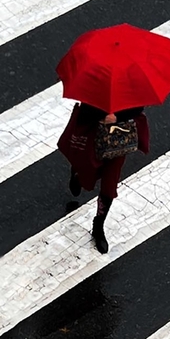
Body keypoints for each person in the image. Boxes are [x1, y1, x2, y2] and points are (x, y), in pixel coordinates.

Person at [58, 103, 150, 254]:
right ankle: (77, 175)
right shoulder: (95, 81)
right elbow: (85, 109)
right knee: (88, 171)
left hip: (119, 137)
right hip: (94, 132)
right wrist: (100, 117)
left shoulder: (132, 83)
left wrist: (117, 117)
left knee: (109, 184)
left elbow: (138, 108)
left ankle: (98, 225)